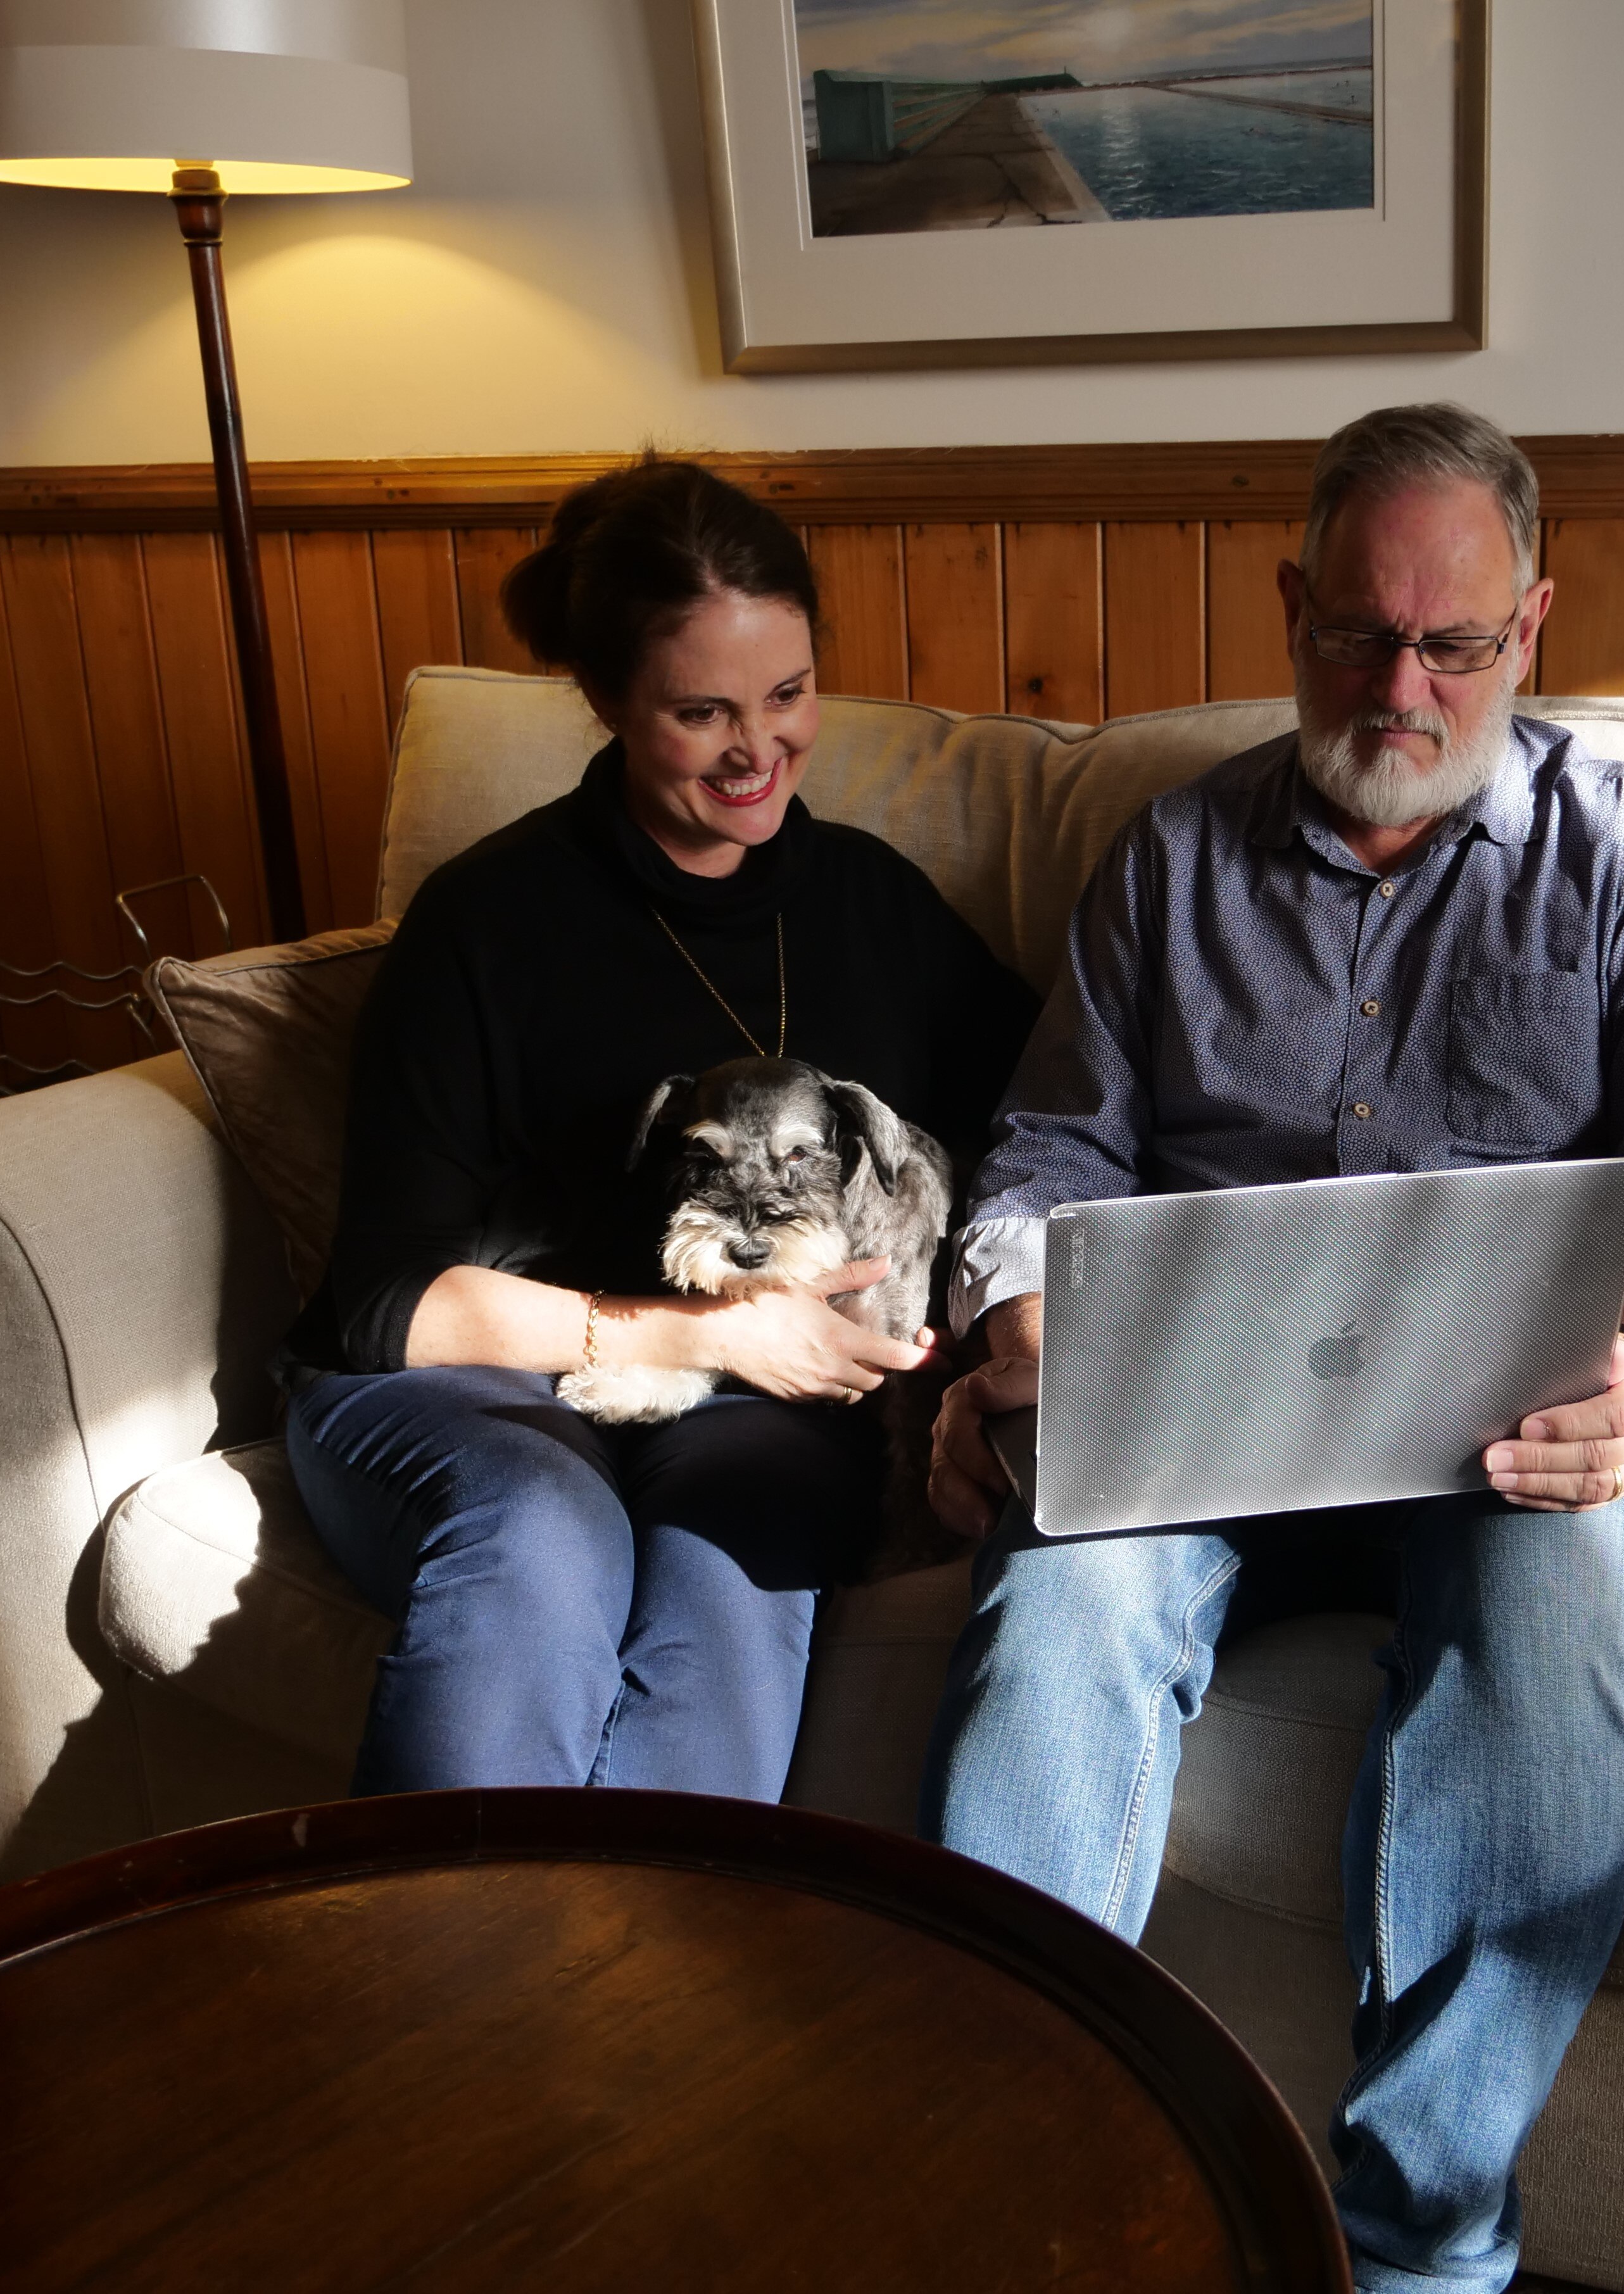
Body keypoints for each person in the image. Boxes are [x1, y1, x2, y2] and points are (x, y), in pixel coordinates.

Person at [919, 403, 1624, 2292]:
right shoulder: (1170, 864)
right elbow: (1051, 1147)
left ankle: (1416, 2249)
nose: (1400, 684)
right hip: (1199, 1418)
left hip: (1509, 1438)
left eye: (1454, 643)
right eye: (1354, 633)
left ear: (1531, 625)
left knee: (1557, 1607)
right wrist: (1027, 1337)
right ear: (1288, 605)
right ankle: (1018, 2197)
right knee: (1054, 1621)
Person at [283, 455, 1039, 1803]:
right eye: (702, 712)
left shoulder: (875, 909)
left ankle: (652, 1996)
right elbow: (383, 1303)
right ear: (609, 702)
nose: (759, 751)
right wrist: (703, 1332)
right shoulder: (486, 923)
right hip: (472, 1380)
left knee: (746, 1530)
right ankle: (434, 1976)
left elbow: (1052, 1129)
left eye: (789, 696)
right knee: (539, 1534)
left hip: (760, 1406)